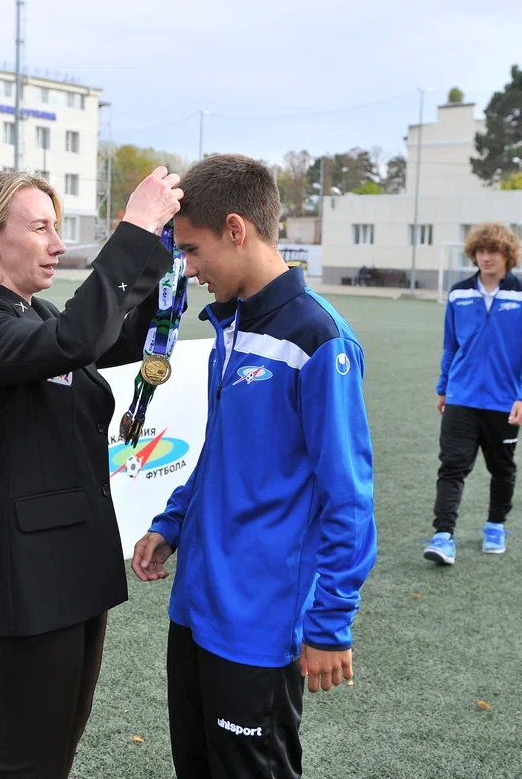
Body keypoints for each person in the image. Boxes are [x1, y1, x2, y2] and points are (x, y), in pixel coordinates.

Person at [131, 154, 376, 779]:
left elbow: (348, 496)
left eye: (192, 250)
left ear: (236, 230)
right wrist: (171, 524)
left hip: (259, 621)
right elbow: (222, 452)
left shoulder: (319, 338)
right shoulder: (231, 326)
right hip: (196, 608)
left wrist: (330, 622)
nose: (188, 269)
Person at [0, 166, 181, 778]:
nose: (57, 243)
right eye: (41, 228)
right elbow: (78, 339)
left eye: (56, 227)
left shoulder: (36, 311)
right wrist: (133, 229)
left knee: (57, 755)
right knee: (32, 764)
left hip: (77, 559)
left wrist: (158, 252)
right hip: (29, 571)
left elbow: (114, 340)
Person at [424, 222, 522, 560]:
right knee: (452, 466)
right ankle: (443, 535)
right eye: (480, 251)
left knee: (502, 468)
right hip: (461, 396)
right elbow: (451, 345)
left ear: (507, 255)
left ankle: (495, 525)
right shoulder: (458, 294)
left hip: (504, 401)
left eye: (493, 251)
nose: (486, 257)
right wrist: (444, 387)